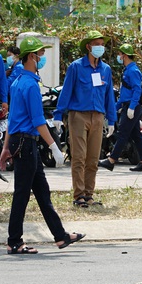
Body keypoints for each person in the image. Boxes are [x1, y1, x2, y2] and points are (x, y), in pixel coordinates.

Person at [0, 36, 84, 254]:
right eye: (40, 54)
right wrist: (55, 147)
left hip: (22, 143)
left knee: (42, 192)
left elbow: (12, 122)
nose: (42, 58)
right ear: (31, 57)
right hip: (27, 144)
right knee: (22, 195)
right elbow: (37, 121)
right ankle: (14, 241)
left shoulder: (18, 82)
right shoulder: (30, 85)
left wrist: (7, 147)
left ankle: (60, 236)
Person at [53, 30, 116, 208]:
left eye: (102, 44)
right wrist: (58, 114)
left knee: (93, 158)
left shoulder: (106, 69)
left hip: (98, 117)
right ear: (88, 46)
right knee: (79, 157)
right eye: (96, 44)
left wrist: (111, 119)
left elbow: (109, 95)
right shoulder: (76, 66)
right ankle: (78, 195)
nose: (100, 47)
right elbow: (66, 92)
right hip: (78, 115)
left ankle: (89, 194)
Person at [98, 43, 142, 172]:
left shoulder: (133, 71)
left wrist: (132, 107)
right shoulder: (128, 70)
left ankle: (111, 161)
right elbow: (124, 93)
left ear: (125, 56)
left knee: (122, 134)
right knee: (136, 135)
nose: (119, 56)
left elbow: (137, 90)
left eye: (120, 54)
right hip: (128, 105)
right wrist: (115, 108)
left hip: (132, 107)